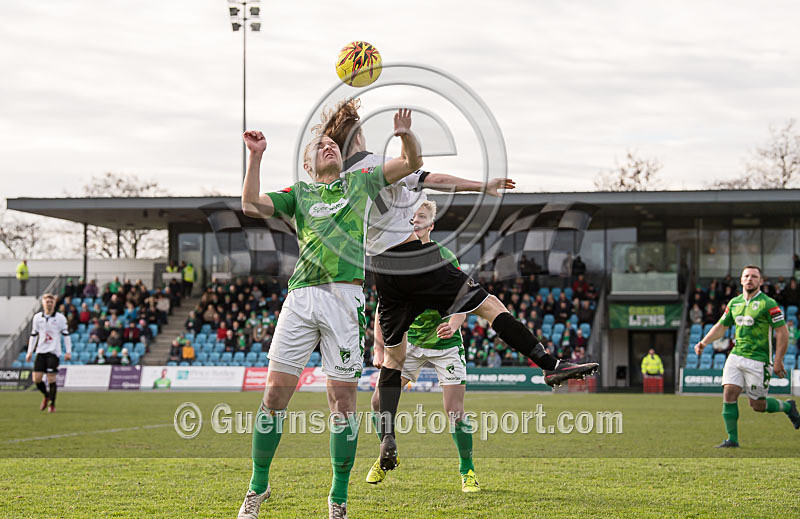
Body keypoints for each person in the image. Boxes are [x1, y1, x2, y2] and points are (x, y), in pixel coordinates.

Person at [320, 98, 599, 473]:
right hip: (414, 259)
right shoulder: (374, 166)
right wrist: (409, 138)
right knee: (488, 305)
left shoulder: (340, 181)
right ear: (357, 134)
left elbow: (423, 178)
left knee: (393, 358)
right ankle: (549, 364)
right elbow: (423, 170)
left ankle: (387, 432)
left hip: (383, 274)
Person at [236, 109, 422, 519]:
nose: (329, 145)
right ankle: (257, 488)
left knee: (342, 403)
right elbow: (250, 204)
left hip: (344, 300)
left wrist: (405, 135)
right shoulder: (298, 194)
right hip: (301, 299)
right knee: (273, 396)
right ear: (307, 165)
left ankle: (338, 499)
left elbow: (411, 163)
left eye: (333, 143)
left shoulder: (360, 182)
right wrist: (256, 157)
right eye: (320, 146)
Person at [366, 201, 480, 492]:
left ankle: (467, 472)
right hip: (410, 342)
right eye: (412, 217)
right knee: (378, 402)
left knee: (454, 411)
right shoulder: (392, 255)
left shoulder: (444, 256)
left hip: (445, 342)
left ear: (431, 226)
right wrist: (379, 347)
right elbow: (384, 306)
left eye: (422, 218)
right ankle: (387, 452)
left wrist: (454, 323)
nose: (415, 221)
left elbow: (466, 296)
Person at [695, 265, 800, 448]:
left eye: (754, 276)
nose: (750, 279)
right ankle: (732, 439)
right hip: (736, 356)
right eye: (746, 276)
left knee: (757, 405)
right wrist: (703, 342)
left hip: (759, 360)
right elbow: (721, 326)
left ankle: (788, 407)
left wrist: (778, 360)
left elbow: (782, 332)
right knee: (729, 393)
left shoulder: (769, 303)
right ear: (741, 280)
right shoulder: (734, 303)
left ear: (760, 281)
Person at [25, 293, 72, 412]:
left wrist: (68, 351)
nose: (49, 304)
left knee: (51, 378)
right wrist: (30, 351)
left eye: (51, 302)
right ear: (43, 303)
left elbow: (66, 335)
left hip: (53, 352)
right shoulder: (37, 318)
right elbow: (34, 334)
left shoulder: (60, 318)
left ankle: (52, 404)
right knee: (36, 379)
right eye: (47, 301)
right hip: (41, 351)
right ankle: (46, 395)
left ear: (54, 303)